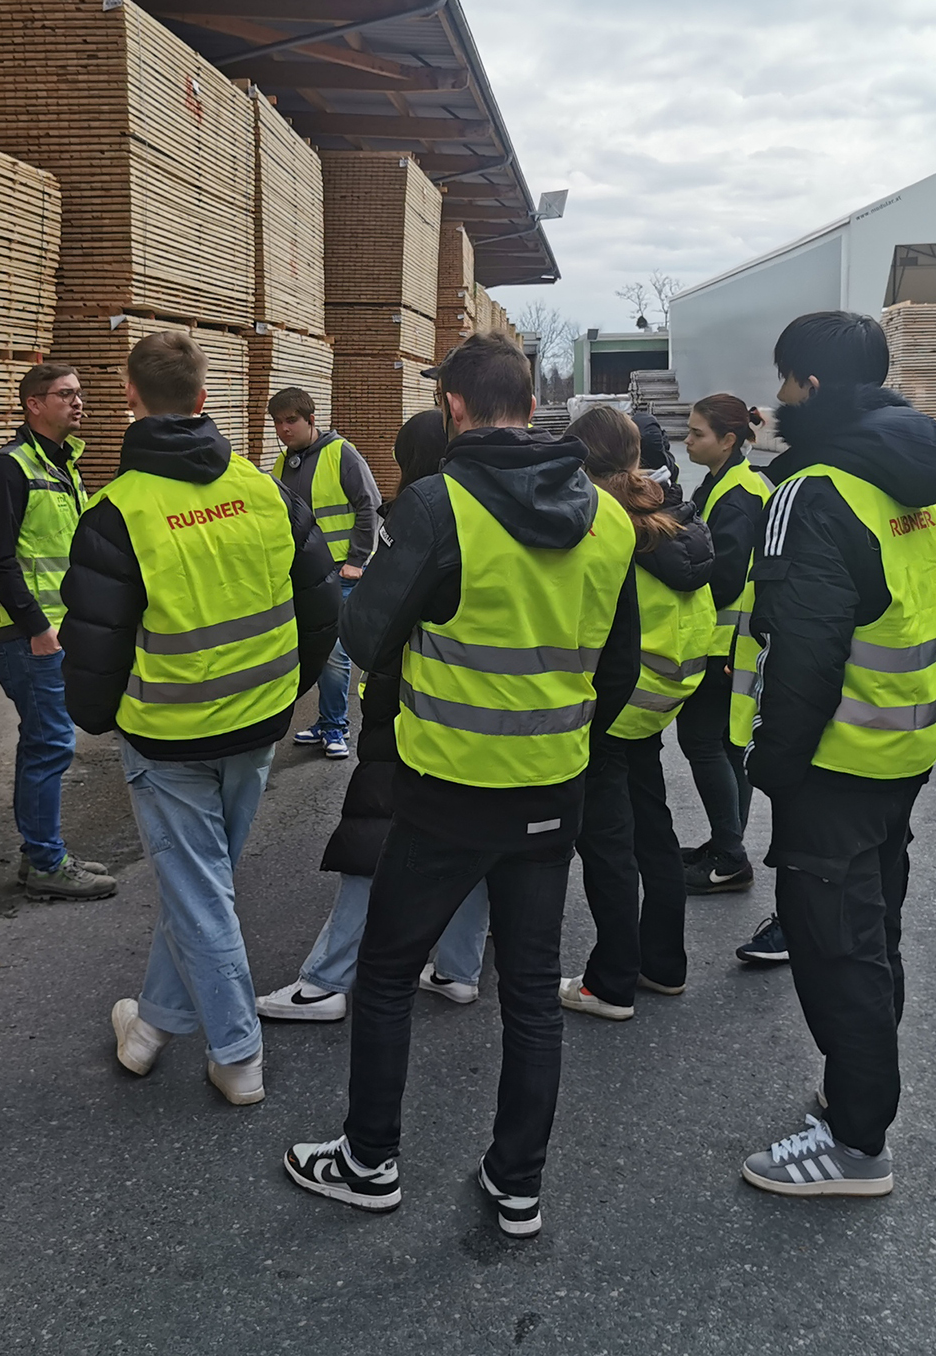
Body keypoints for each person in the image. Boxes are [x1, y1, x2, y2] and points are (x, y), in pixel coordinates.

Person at [282, 333, 640, 1239]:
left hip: (446, 788)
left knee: (387, 974)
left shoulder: (441, 504)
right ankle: (517, 1186)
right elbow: (620, 669)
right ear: (532, 405)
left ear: (453, 408)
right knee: (530, 992)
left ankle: (369, 1161)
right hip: (553, 790)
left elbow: (367, 635)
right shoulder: (608, 518)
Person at [59, 330, 340, 1107]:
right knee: (203, 887)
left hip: (170, 737)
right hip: (258, 724)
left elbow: (94, 647)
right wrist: (288, 689)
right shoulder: (262, 490)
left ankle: (238, 1056)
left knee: (200, 892)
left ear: (131, 399)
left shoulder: (118, 511)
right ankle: (150, 1027)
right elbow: (322, 605)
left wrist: (98, 718)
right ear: (204, 399)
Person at [734, 310, 936, 1198]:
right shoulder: (914, 482)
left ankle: (856, 1144)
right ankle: (850, 1094)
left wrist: (774, 766)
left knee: (836, 951)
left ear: (813, 385)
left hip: (833, 763)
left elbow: (803, 652)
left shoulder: (816, 488)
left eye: (786, 378)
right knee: (872, 934)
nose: (778, 394)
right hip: (901, 748)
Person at [256, 408, 492, 1024]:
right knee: (469, 845)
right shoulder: (488, 516)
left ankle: (326, 982)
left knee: (372, 843)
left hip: (409, 712)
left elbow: (369, 633)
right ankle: (458, 969)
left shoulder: (420, 517)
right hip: (481, 722)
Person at [558, 407, 713, 1021]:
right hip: (655, 704)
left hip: (610, 705)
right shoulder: (673, 518)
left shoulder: (603, 526)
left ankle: (611, 983)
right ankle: (663, 964)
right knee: (653, 833)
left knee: (607, 849)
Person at [0, 362, 116, 901]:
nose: (78, 402)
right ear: (33, 404)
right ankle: (46, 864)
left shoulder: (62, 466)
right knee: (51, 742)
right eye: (65, 394)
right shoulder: (8, 469)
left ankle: (38, 852)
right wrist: (37, 628)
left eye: (79, 393)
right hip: (27, 637)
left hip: (58, 630)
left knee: (43, 740)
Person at [677, 394, 771, 895]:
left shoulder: (737, 495)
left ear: (728, 440)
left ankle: (730, 855)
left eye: (698, 433)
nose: (688, 440)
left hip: (725, 644)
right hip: (731, 643)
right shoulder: (726, 482)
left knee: (702, 741)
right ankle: (725, 845)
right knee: (728, 746)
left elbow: (725, 576)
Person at [268, 386, 382, 761]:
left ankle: (335, 727)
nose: (284, 429)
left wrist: (357, 559)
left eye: (291, 421)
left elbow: (369, 505)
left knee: (333, 653)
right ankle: (325, 721)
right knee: (310, 651)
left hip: (340, 573)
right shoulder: (282, 465)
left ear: (311, 419)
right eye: (278, 422)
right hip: (302, 576)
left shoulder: (340, 453)